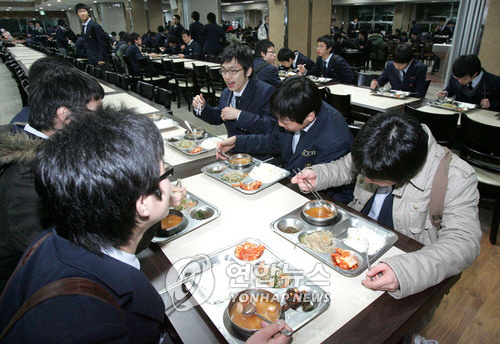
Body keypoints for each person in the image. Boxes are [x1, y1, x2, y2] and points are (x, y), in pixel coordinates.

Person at [0, 107, 292, 344]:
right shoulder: (92, 325)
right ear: (141, 203)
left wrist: (162, 205)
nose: (168, 178)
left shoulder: (54, 239)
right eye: (164, 170)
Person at [291, 112, 481, 299]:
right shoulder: (378, 144)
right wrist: (321, 175)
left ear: (405, 175)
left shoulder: (456, 176)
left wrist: (405, 271)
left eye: (373, 178)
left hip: (409, 259)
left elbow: (463, 242)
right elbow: (346, 166)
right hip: (354, 238)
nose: (364, 178)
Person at [0, 66, 104, 293]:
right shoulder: (28, 179)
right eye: (94, 114)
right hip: (24, 289)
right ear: (64, 116)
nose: (99, 122)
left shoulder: (35, 139)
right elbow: (61, 256)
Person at [217, 76, 353, 203]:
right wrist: (237, 141)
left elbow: (323, 181)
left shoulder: (335, 137)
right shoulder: (292, 111)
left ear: (310, 117)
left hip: (321, 197)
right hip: (289, 181)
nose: (280, 124)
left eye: (285, 122)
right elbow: (273, 141)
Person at [192, 44, 276, 140]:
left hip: (257, 153)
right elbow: (220, 116)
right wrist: (202, 108)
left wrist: (239, 115)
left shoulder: (266, 91)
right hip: (232, 150)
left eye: (233, 71)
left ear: (248, 71)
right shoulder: (226, 93)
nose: (227, 77)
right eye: (223, 70)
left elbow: (270, 126)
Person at [75, 3, 110, 67]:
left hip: (99, 59)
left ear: (88, 12)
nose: (82, 13)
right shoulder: (84, 26)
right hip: (91, 58)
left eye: (84, 11)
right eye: (80, 12)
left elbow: (102, 42)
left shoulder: (94, 26)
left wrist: (101, 58)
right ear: (77, 14)